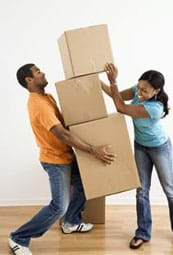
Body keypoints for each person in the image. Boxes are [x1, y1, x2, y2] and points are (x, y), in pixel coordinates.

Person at [9, 63, 115, 255]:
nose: (43, 73)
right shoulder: (38, 104)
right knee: (59, 206)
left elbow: (64, 123)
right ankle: (18, 237)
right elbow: (62, 134)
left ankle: (71, 221)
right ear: (29, 80)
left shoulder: (46, 97)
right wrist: (93, 150)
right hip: (55, 160)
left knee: (84, 184)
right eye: (38, 72)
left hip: (66, 155)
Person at [101, 63, 173, 249]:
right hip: (140, 146)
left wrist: (113, 80)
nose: (139, 93)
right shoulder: (137, 90)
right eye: (138, 87)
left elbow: (121, 108)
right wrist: (98, 82)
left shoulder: (155, 108)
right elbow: (115, 94)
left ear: (156, 91)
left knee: (170, 190)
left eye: (144, 91)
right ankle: (143, 233)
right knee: (141, 191)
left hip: (159, 148)